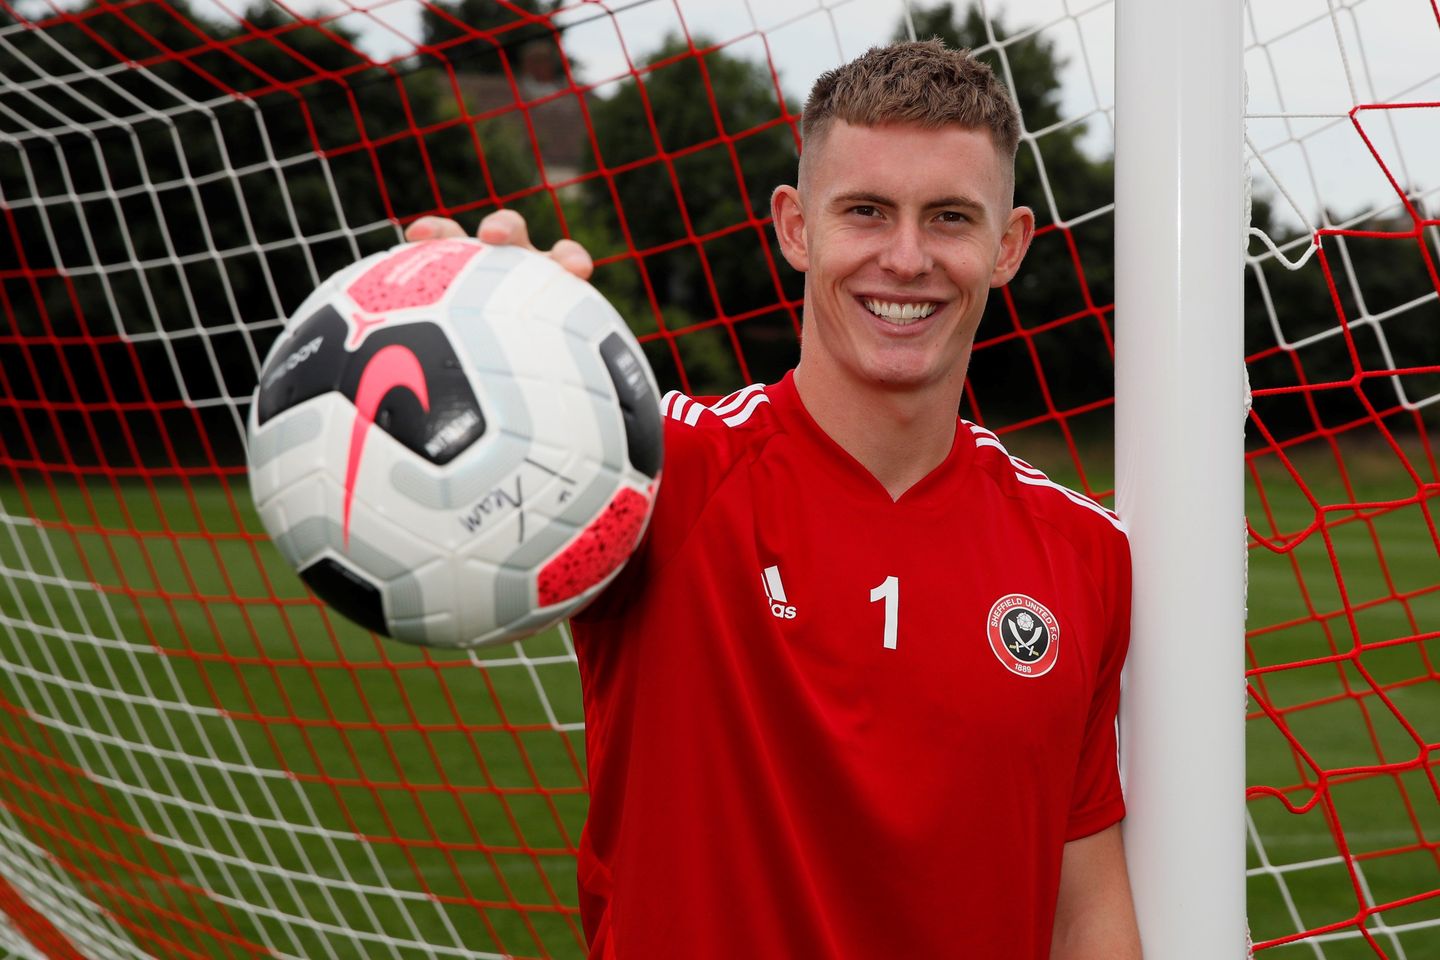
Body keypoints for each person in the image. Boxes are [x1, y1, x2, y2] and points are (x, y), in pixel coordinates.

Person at [408, 40, 1141, 960]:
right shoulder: (654, 469)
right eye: (866, 211)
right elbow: (474, 490)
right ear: (796, 227)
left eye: (949, 217)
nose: (906, 258)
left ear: (1008, 246)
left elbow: (1084, 909)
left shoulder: (1084, 555)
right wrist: (482, 343)